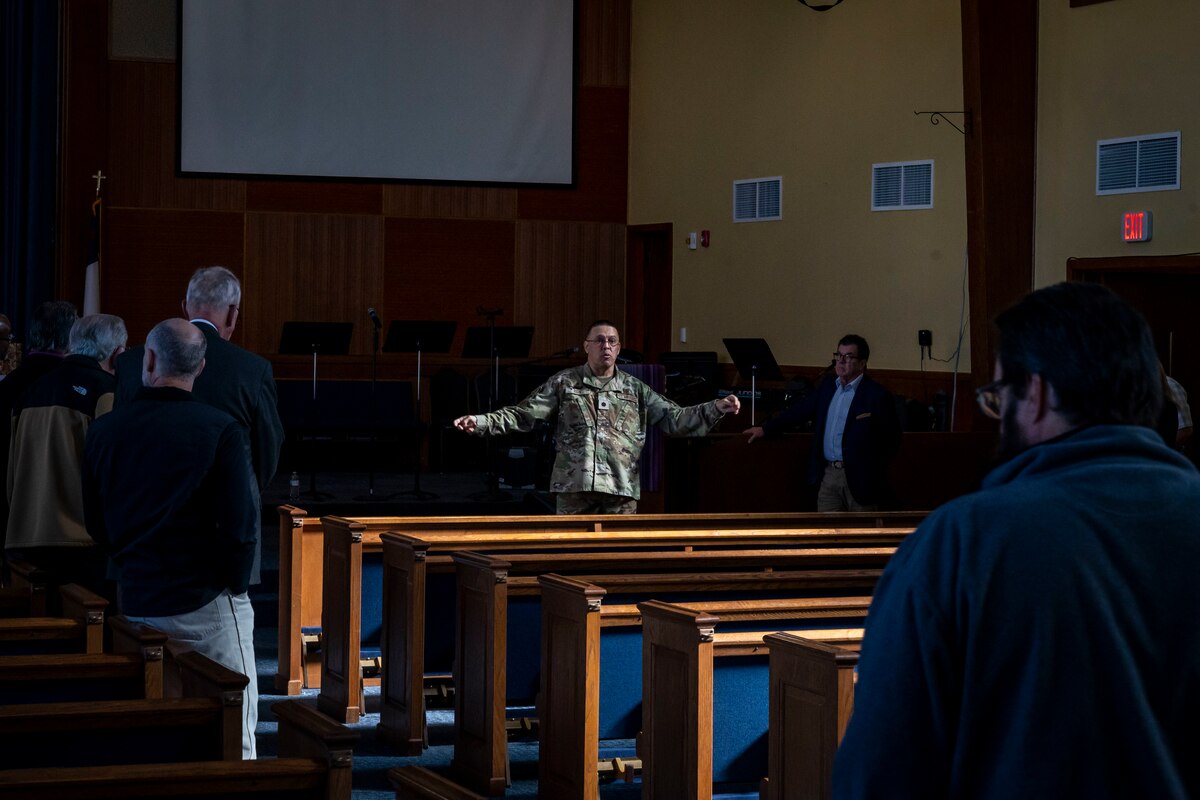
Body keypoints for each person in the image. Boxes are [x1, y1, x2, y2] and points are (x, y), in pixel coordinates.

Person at [834, 282, 1200, 799]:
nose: (998, 414)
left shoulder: (961, 544)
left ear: (1037, 393)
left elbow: (879, 776)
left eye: (999, 397)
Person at [83, 319, 259, 759]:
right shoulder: (221, 431)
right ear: (200, 367)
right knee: (232, 739)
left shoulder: (104, 431)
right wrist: (232, 585)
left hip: (138, 599)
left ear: (148, 360)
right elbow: (241, 528)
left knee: (154, 739)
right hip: (206, 602)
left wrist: (133, 564)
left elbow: (95, 522)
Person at [453, 320, 740, 514]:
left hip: (619, 489)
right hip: (575, 488)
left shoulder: (635, 389)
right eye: (599, 341)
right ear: (586, 346)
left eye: (612, 341)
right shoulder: (565, 383)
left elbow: (675, 419)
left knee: (616, 561)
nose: (606, 346)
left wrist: (715, 408)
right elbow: (524, 415)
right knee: (571, 559)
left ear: (618, 348)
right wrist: (482, 421)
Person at [115, 266, 283, 582]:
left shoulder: (130, 363)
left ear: (185, 307)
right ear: (232, 314)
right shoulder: (252, 370)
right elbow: (268, 450)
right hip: (224, 530)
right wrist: (239, 485)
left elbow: (120, 441)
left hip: (144, 526)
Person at [5, 314, 126, 597]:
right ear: (117, 355)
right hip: (83, 545)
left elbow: (11, 476)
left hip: (26, 540)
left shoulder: (29, 391)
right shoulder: (106, 392)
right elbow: (110, 474)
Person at [744, 334, 901, 511]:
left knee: (861, 528)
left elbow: (892, 439)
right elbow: (800, 412)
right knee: (827, 526)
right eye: (839, 355)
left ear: (862, 363)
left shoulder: (877, 394)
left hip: (862, 479)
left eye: (848, 356)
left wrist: (870, 468)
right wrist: (766, 429)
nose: (841, 361)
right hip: (829, 474)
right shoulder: (828, 386)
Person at [0, 301, 78, 548]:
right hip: (62, 523)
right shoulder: (73, 387)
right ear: (69, 338)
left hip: (11, 513)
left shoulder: (8, 384)